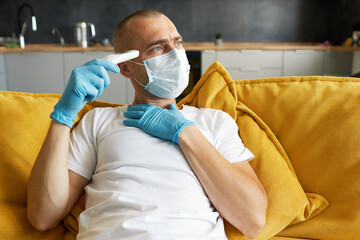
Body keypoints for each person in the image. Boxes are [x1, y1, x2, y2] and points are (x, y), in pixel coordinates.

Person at [27, 9, 267, 239]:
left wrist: (185, 132)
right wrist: (63, 116)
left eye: (178, 42)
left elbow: (253, 221)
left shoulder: (214, 121)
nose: (175, 53)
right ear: (125, 67)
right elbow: (43, 216)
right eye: (158, 47)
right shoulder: (98, 121)